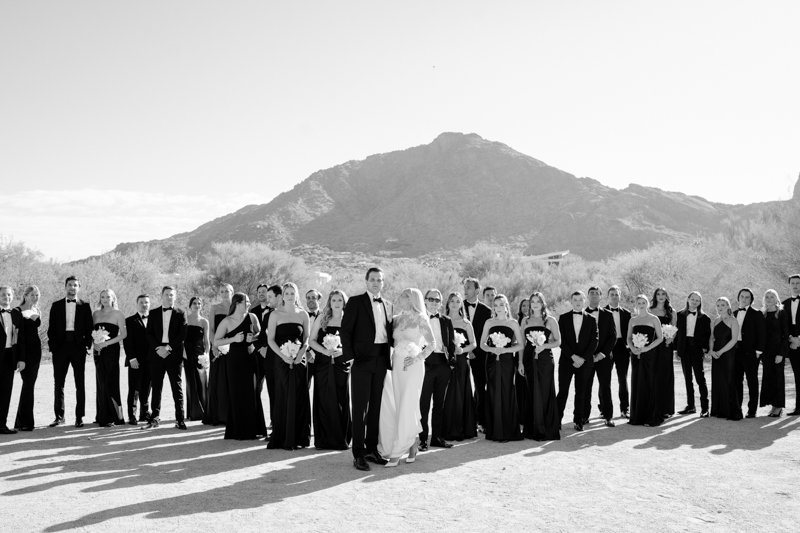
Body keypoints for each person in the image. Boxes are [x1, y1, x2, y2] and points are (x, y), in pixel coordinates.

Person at [341, 267, 393, 471]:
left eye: (379, 280)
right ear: (366, 281)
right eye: (372, 279)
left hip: (381, 358)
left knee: (375, 408)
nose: (376, 282)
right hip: (361, 360)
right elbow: (345, 332)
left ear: (383, 283)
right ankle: (358, 454)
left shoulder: (388, 304)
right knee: (360, 408)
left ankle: (372, 449)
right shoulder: (355, 302)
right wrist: (351, 358)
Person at [378, 288, 435, 467]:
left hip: (413, 366)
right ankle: (412, 443)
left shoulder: (421, 319)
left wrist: (418, 358)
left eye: (402, 296)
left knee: (407, 404)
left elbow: (432, 344)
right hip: (397, 366)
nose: (399, 298)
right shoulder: (395, 320)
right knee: (400, 404)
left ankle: (397, 451)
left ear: (410, 299)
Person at [266, 282, 311, 450]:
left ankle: (299, 437)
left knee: (299, 395)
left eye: (293, 292)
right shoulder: (275, 315)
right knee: (284, 395)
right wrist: (284, 356)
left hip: (300, 361)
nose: (290, 295)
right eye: (287, 293)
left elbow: (306, 338)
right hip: (281, 361)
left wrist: (301, 353)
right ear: (282, 296)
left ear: (297, 295)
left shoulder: (303, 315)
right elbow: (270, 340)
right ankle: (283, 437)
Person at [215, 292, 264, 440]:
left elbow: (260, 333)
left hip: (250, 359)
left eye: (249, 302)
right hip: (234, 362)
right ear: (237, 304)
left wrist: (254, 337)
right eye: (246, 302)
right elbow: (216, 342)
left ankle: (254, 429)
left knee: (252, 393)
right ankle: (238, 430)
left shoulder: (252, 317)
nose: (249, 304)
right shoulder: (226, 321)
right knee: (236, 394)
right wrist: (233, 339)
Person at [48, 275, 93, 428]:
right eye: (70, 285)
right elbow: (51, 329)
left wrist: (87, 346)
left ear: (79, 287)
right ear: (65, 287)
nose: (72, 288)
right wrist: (54, 347)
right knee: (58, 383)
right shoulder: (56, 305)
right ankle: (59, 417)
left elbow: (89, 328)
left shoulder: (85, 305)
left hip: (78, 347)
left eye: (75, 285)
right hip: (60, 348)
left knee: (79, 383)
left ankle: (79, 417)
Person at [308, 290, 351, 450]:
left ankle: (341, 439)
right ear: (330, 302)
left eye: (340, 300)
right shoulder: (322, 318)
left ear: (344, 302)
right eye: (334, 300)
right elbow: (311, 341)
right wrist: (324, 351)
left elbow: (355, 343)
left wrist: (343, 351)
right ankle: (323, 440)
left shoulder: (349, 320)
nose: (337, 303)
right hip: (322, 364)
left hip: (341, 363)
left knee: (340, 397)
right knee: (323, 398)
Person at [144, 286, 188, 430]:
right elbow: (148, 333)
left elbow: (182, 335)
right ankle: (154, 419)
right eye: (167, 294)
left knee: (177, 388)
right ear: (161, 296)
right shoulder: (153, 313)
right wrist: (158, 348)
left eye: (172, 295)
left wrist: (168, 348)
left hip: (173, 354)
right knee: (156, 387)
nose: (169, 297)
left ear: (175, 297)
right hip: (156, 354)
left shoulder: (181, 313)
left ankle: (180, 419)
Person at [480, 294, 523, 442]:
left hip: (507, 361)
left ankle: (508, 430)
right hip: (492, 360)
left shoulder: (513, 323)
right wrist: (493, 350)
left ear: (506, 306)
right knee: (492, 391)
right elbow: (482, 344)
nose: (498, 307)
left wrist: (505, 350)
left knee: (507, 390)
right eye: (495, 305)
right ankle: (494, 431)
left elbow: (520, 344)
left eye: (501, 304)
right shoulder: (489, 322)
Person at [519, 292, 561, 441]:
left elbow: (558, 341)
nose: (535, 304)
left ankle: (546, 429)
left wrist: (544, 346)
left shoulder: (549, 320)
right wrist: (520, 363)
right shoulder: (525, 321)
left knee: (544, 392)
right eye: (533, 301)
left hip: (544, 360)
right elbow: (521, 344)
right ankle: (532, 429)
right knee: (531, 392)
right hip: (529, 360)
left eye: (538, 301)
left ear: (543, 303)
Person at [418, 289, 455, 451]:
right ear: (425, 301)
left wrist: (451, 362)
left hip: (443, 364)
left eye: (437, 300)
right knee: (424, 403)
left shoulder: (447, 320)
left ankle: (437, 437)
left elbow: (451, 342)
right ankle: (422, 439)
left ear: (441, 303)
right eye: (431, 299)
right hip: (425, 363)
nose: (434, 302)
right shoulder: (419, 318)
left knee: (440, 403)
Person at [556, 291, 598, 432]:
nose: (578, 302)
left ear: (584, 301)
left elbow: (594, 341)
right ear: (571, 301)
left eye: (580, 299)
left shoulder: (592, 320)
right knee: (563, 391)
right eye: (575, 299)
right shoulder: (563, 318)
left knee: (581, 393)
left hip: (584, 362)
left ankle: (578, 421)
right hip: (567, 361)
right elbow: (561, 340)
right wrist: (573, 356)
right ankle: (556, 420)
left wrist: (582, 358)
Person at [443, 292, 477, 441]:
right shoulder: (442, 321)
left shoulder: (465, 323)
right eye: (452, 301)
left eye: (458, 301)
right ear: (448, 303)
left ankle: (463, 428)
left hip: (462, 362)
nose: (455, 304)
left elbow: (473, 343)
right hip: (445, 362)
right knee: (447, 394)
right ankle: (447, 428)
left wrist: (462, 350)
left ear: (461, 304)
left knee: (461, 393)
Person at [627, 295, 665, 427]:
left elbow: (660, 338)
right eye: (639, 302)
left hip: (649, 355)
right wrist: (633, 348)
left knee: (649, 382)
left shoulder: (654, 319)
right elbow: (628, 338)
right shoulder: (632, 320)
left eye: (644, 302)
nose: (641, 304)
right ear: (636, 304)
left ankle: (650, 417)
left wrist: (647, 348)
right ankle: (637, 416)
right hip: (636, 355)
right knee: (637, 382)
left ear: (647, 304)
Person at [92, 289, 127, 427]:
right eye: (102, 297)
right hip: (98, 352)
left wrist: (106, 343)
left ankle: (113, 415)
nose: (105, 299)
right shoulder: (95, 314)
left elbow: (123, 334)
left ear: (113, 298)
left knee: (110, 381)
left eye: (108, 297)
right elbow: (92, 332)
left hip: (111, 351)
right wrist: (95, 344)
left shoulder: (118, 314)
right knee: (100, 381)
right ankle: (102, 415)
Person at [584, 286, 617, 427]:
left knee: (605, 387)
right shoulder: (581, 314)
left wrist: (602, 354)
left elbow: (613, 337)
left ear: (601, 296)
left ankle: (608, 416)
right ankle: (584, 417)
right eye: (591, 293)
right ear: (588, 296)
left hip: (603, 358)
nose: (594, 296)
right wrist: (587, 355)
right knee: (586, 387)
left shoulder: (608, 314)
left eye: (597, 294)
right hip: (586, 358)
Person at [462, 278, 492, 433]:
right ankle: (464, 421)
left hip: (480, 356)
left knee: (480, 387)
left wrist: (475, 351)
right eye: (465, 287)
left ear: (477, 290)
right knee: (462, 388)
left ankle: (481, 421)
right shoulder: (457, 307)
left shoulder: (487, 311)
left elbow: (485, 336)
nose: (465, 290)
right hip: (461, 354)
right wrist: (468, 350)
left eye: (469, 287)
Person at [675, 292, 712, 417]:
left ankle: (705, 408)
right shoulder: (679, 315)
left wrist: (705, 349)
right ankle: (690, 406)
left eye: (697, 300)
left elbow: (707, 335)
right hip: (684, 350)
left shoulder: (705, 318)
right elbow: (677, 334)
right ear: (688, 299)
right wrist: (677, 350)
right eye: (693, 299)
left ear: (700, 302)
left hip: (697, 350)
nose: (695, 302)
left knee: (700, 379)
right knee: (687, 379)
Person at [204, 283, 233, 426]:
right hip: (217, 348)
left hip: (233, 348)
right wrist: (215, 345)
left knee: (230, 380)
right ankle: (216, 415)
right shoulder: (215, 308)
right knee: (217, 380)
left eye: (227, 291)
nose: (224, 293)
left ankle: (230, 416)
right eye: (221, 291)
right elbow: (211, 329)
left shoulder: (237, 308)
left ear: (232, 292)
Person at [733, 288, 766, 418]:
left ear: (751, 300)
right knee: (737, 380)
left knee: (752, 381)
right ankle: (737, 407)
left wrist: (758, 351)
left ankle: (752, 410)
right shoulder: (733, 313)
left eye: (747, 297)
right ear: (738, 298)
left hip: (751, 352)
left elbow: (762, 333)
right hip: (736, 351)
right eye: (742, 296)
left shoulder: (756, 314)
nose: (744, 299)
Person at [13, 286, 42, 431]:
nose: (35, 297)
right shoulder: (17, 311)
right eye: (32, 295)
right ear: (25, 295)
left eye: (37, 295)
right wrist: (21, 358)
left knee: (30, 385)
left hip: (37, 351)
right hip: (25, 352)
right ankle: (24, 422)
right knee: (27, 384)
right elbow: (19, 337)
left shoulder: (37, 310)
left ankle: (23, 422)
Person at [709, 297, 742, 421]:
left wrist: (721, 352)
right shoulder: (715, 321)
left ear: (728, 306)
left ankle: (732, 411)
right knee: (717, 381)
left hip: (728, 354)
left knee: (729, 380)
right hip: (716, 355)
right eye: (718, 305)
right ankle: (719, 410)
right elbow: (712, 338)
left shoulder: (733, 321)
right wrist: (712, 351)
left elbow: (734, 340)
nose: (720, 307)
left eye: (723, 305)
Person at [123, 294, 152, 425]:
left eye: (146, 302)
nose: (144, 304)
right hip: (135, 360)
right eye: (141, 302)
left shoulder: (154, 320)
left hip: (150, 360)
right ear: (137, 304)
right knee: (134, 389)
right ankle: (131, 415)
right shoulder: (129, 321)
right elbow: (127, 342)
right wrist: (132, 358)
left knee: (146, 389)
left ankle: (144, 414)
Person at [0, 286, 25, 434]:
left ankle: (2, 424)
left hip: (10, 357)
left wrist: (21, 359)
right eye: (3, 294)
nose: (6, 297)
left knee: (5, 392)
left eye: (9, 294)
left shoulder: (16, 313)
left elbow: (20, 338)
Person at [605, 286, 632, 418]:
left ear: (620, 296)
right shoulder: (602, 312)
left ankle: (624, 409)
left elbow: (630, 333)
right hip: (607, 348)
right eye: (612, 294)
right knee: (605, 380)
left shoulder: (627, 313)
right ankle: (603, 409)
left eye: (616, 294)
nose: (614, 296)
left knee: (623, 378)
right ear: (608, 296)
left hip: (622, 347)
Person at [760, 289, 788, 417]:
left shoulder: (781, 313)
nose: (769, 299)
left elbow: (785, 334)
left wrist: (781, 353)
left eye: (772, 297)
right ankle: (772, 405)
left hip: (777, 351)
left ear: (777, 298)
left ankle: (779, 406)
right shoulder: (762, 313)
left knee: (778, 378)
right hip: (766, 352)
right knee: (768, 378)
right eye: (767, 296)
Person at [650, 288, 676, 418]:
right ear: (655, 296)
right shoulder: (649, 310)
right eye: (658, 294)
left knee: (665, 375)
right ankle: (652, 406)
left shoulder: (671, 312)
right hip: (652, 346)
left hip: (665, 346)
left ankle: (665, 408)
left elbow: (673, 329)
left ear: (666, 296)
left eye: (663, 294)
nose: (660, 296)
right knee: (653, 374)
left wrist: (669, 339)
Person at [184, 296, 209, 421]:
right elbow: (182, 339)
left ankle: (204, 410)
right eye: (194, 303)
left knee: (201, 381)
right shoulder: (185, 319)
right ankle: (193, 412)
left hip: (200, 354)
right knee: (191, 381)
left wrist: (207, 356)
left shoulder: (204, 321)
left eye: (199, 303)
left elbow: (206, 341)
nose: (197, 305)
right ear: (190, 305)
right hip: (187, 353)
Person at [781, 274, 800, 415]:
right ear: (789, 285)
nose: (795, 285)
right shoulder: (784, 304)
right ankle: (798, 407)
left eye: (798, 283)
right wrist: (791, 339)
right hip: (792, 345)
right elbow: (782, 326)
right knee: (797, 376)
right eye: (793, 283)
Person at [515, 298, 529, 429]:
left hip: (531, 356)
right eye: (523, 305)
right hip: (518, 357)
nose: (526, 307)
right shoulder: (516, 321)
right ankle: (520, 417)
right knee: (520, 388)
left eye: (528, 305)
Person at [305, 289, 322, 387]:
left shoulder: (325, 316)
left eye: (313, 298)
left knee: (321, 390)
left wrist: (312, 353)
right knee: (303, 389)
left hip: (320, 358)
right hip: (304, 358)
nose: (310, 300)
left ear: (319, 300)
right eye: (308, 298)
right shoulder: (301, 315)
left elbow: (324, 338)